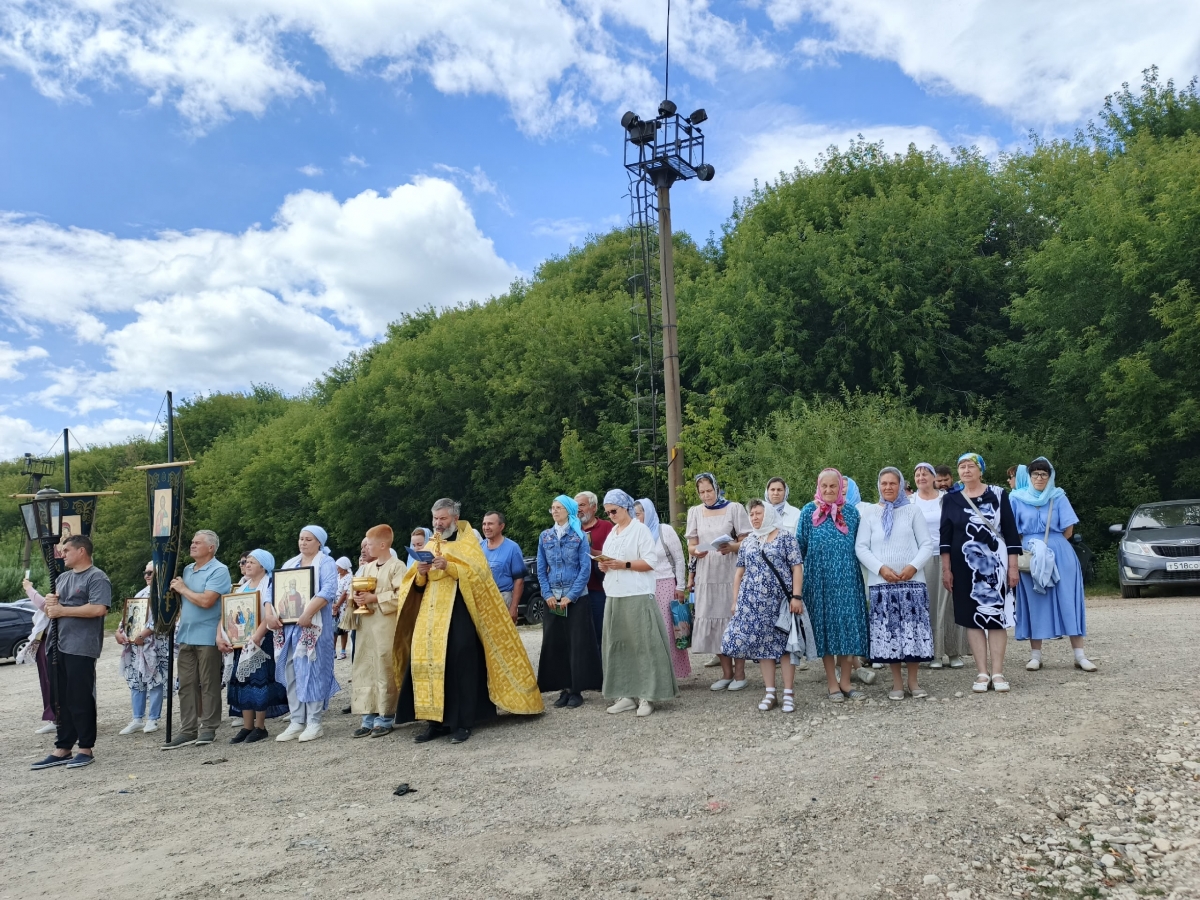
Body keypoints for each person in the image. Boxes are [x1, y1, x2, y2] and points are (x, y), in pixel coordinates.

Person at [393, 499, 543, 744]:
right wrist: (420, 574)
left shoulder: (468, 543)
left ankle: (463, 722)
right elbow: (416, 585)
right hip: (430, 615)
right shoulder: (430, 544)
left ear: (454, 518)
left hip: (459, 610)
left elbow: (479, 576)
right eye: (435, 519)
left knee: (460, 662)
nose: (438, 523)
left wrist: (450, 567)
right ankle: (434, 722)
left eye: (442, 518)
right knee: (427, 664)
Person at [30, 535, 113, 770]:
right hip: (57, 644)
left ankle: (85, 748)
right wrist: (49, 603)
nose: (62, 554)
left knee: (80, 697)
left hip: (81, 646)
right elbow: (52, 611)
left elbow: (98, 608)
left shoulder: (97, 577)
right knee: (59, 698)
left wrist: (62, 610)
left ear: (82, 551)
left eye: (66, 550)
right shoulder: (63, 578)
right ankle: (63, 747)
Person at [940, 453, 1021, 694]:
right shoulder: (951, 498)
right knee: (971, 619)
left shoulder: (998, 494)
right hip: (963, 566)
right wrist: (946, 569)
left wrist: (1013, 567)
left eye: (971, 466)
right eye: (962, 467)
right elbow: (945, 537)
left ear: (981, 470)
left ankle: (998, 672)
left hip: (995, 564)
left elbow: (1011, 531)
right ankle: (982, 672)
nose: (966, 470)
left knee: (996, 618)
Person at [855, 468, 936, 700]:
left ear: (900, 485)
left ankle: (913, 681)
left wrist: (913, 566)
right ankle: (897, 683)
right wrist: (881, 568)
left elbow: (926, 544)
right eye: (884, 483)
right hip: (882, 584)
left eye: (893, 483)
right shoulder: (870, 513)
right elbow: (861, 547)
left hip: (912, 583)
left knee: (913, 633)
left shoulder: (912, 510)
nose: (888, 487)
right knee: (890, 635)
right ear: (878, 485)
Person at [1010, 458, 1096, 672]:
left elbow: (1069, 529)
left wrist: (1051, 547)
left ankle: (1080, 655)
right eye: (1035, 474)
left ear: (1050, 476)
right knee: (1035, 601)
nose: (1039, 478)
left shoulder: (1058, 496)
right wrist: (1033, 547)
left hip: (1059, 551)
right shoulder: (1017, 498)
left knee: (1068, 599)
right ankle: (1035, 656)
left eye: (1044, 474)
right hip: (1030, 553)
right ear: (1029, 476)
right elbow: (1012, 530)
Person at [596, 490, 678, 717]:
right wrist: (604, 566)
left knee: (644, 646)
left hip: (638, 593)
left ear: (625, 508)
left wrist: (624, 564)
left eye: (614, 511)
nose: (611, 515)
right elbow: (610, 562)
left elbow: (651, 562)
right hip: (615, 594)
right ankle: (625, 694)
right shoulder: (613, 533)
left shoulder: (640, 530)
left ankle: (647, 695)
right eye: (607, 512)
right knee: (618, 645)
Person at [724, 499, 806, 713]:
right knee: (763, 648)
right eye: (752, 514)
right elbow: (739, 574)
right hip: (753, 605)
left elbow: (797, 568)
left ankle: (788, 693)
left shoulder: (785, 537)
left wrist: (796, 597)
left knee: (786, 647)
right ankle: (770, 693)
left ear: (768, 514)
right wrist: (735, 601)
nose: (755, 517)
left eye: (758, 513)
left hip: (781, 603)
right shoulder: (749, 541)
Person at [797, 468, 869, 702]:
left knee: (848, 629)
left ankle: (846, 682)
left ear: (840, 488)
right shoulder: (808, 512)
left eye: (833, 486)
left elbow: (861, 546)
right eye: (824, 486)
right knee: (825, 632)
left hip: (848, 580)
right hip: (819, 582)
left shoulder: (852, 513)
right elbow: (799, 549)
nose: (828, 490)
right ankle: (832, 684)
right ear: (818, 487)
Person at [267, 525, 341, 743]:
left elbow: (328, 590)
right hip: (289, 627)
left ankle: (314, 722)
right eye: (301, 538)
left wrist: (307, 613)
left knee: (313, 671)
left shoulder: (325, 562)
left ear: (319, 542)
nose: (303, 542)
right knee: (291, 670)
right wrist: (269, 612)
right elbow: (272, 591)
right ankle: (297, 720)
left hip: (314, 626)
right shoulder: (290, 564)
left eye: (308, 539)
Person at [160, 530, 233, 750]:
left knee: (209, 683)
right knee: (186, 684)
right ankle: (187, 730)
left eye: (197, 543)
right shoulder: (187, 570)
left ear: (211, 547)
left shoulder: (219, 570)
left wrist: (183, 589)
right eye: (192, 542)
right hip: (186, 634)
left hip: (208, 634)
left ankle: (208, 727)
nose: (192, 545)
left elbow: (207, 601)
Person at [536, 495, 602, 708]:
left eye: (559, 507)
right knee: (557, 643)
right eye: (552, 508)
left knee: (577, 643)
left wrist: (571, 596)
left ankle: (576, 689)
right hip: (553, 598)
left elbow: (585, 569)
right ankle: (563, 688)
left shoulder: (579, 536)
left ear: (569, 511)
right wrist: (547, 594)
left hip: (576, 598)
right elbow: (541, 568)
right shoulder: (545, 536)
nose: (554, 511)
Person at [686, 473, 752, 686]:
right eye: (702, 492)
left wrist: (731, 546)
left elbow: (746, 541)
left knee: (733, 620)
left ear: (716, 488)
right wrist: (696, 551)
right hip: (707, 571)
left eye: (709, 491)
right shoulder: (695, 512)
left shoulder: (734, 508)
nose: (706, 495)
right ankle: (726, 674)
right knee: (714, 619)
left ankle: (740, 674)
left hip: (730, 570)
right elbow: (691, 545)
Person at [349, 525, 407, 737]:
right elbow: (356, 589)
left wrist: (375, 597)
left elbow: (403, 595)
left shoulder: (397, 566)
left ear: (383, 545)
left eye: (369, 544)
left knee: (384, 668)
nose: (366, 548)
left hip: (386, 627)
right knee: (366, 667)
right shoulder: (367, 568)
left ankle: (385, 717)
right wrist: (357, 598)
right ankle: (368, 717)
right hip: (366, 627)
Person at [225, 549, 288, 743]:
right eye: (246, 562)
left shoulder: (269, 584)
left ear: (263, 565)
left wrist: (257, 635)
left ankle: (260, 726)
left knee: (259, 681)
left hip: (263, 639)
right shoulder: (242, 587)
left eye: (252, 562)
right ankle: (247, 726)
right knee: (242, 680)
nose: (247, 564)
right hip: (242, 641)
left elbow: (270, 613)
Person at [911, 463, 968, 668]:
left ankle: (953, 652)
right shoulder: (911, 501)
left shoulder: (946, 499)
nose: (921, 477)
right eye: (917, 474)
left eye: (925, 474)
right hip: (922, 558)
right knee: (929, 605)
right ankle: (933, 653)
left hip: (948, 556)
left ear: (933, 477)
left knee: (950, 604)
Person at [635, 497, 691, 679]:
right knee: (649, 630)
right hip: (644, 585)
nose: (636, 518)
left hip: (665, 583)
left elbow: (679, 559)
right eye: (633, 515)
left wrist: (680, 586)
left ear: (648, 512)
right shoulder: (636, 534)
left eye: (638, 514)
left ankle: (674, 673)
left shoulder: (664, 530)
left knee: (669, 630)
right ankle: (656, 674)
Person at [115, 561, 168, 734]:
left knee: (155, 680)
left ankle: (153, 718)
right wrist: (119, 632)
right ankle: (137, 718)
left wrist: (143, 635)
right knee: (136, 679)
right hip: (136, 646)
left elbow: (161, 620)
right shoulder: (141, 593)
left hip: (155, 645)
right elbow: (128, 617)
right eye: (145, 572)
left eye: (151, 573)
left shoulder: (165, 594)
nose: (147, 575)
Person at [575, 491, 613, 648]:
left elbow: (614, 557)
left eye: (582, 505)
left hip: (598, 589)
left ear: (594, 507)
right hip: (576, 591)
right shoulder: (572, 528)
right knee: (580, 634)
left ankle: (601, 663)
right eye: (576, 506)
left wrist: (591, 551)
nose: (578, 509)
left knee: (599, 631)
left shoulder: (606, 527)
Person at [19, 577, 56, 734]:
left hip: (54, 642)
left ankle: (59, 718)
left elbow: (43, 605)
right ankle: (54, 718)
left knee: (53, 680)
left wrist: (29, 588)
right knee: (46, 680)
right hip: (45, 641)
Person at [481, 511, 527, 622]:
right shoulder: (479, 547)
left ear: (501, 526)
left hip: (504, 599)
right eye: (484, 524)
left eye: (490, 524)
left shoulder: (512, 548)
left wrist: (514, 607)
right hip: (483, 600)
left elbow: (519, 580)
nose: (486, 527)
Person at [332, 556, 353, 660]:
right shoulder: (336, 576)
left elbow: (345, 593)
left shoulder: (349, 577)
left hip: (343, 605)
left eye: (338, 566)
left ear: (343, 567)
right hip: (334, 604)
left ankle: (343, 651)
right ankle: (333, 651)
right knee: (334, 628)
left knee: (343, 629)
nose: (337, 568)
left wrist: (337, 605)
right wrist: (334, 605)